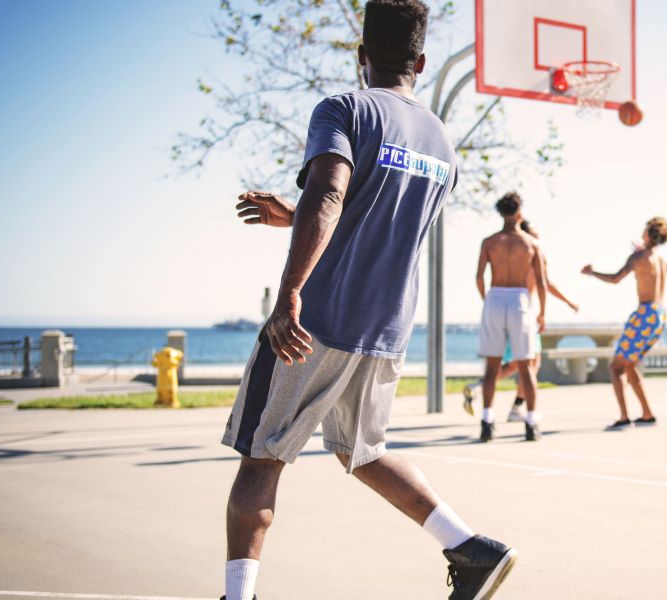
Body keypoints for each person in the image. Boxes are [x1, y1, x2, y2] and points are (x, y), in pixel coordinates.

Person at [221, 3, 516, 599]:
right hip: (385, 328)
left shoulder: (344, 108)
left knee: (260, 459)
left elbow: (330, 195)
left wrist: (289, 294)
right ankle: (470, 547)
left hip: (319, 318)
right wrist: (294, 215)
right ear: (423, 61)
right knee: (365, 453)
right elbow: (378, 218)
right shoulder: (443, 142)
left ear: (362, 56)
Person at [463, 218, 579, 421]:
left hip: (511, 311)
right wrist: (565, 304)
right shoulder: (530, 253)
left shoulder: (512, 251)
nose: (537, 237)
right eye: (535, 233)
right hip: (523, 315)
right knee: (526, 365)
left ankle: (498, 401)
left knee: (521, 364)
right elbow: (546, 284)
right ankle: (501, 401)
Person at [581, 217, 667, 430]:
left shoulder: (638, 256)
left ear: (648, 234)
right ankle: (647, 414)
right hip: (659, 315)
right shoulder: (662, 261)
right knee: (629, 365)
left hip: (644, 313)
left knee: (616, 368)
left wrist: (592, 272)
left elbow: (615, 278)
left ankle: (623, 417)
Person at [474, 192, 548, 442]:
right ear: (518, 213)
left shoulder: (489, 241)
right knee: (526, 365)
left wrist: (488, 300)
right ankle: (531, 423)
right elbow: (541, 281)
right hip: (519, 298)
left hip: (495, 296)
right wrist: (542, 313)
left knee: (492, 366)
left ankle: (487, 421)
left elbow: (478, 276)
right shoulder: (531, 244)